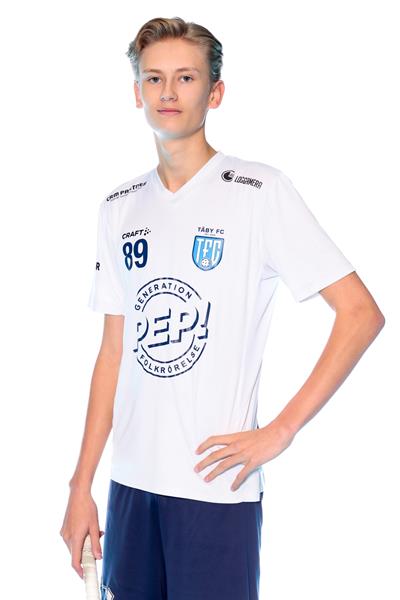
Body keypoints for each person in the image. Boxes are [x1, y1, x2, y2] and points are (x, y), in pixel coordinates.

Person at [59, 15, 385, 600]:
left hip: (214, 491)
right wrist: (81, 485)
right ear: (136, 92)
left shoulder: (258, 191)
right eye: (154, 78)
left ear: (215, 92)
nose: (168, 92)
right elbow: (113, 354)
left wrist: (281, 431)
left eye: (185, 78)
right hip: (130, 487)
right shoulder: (118, 206)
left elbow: (361, 314)